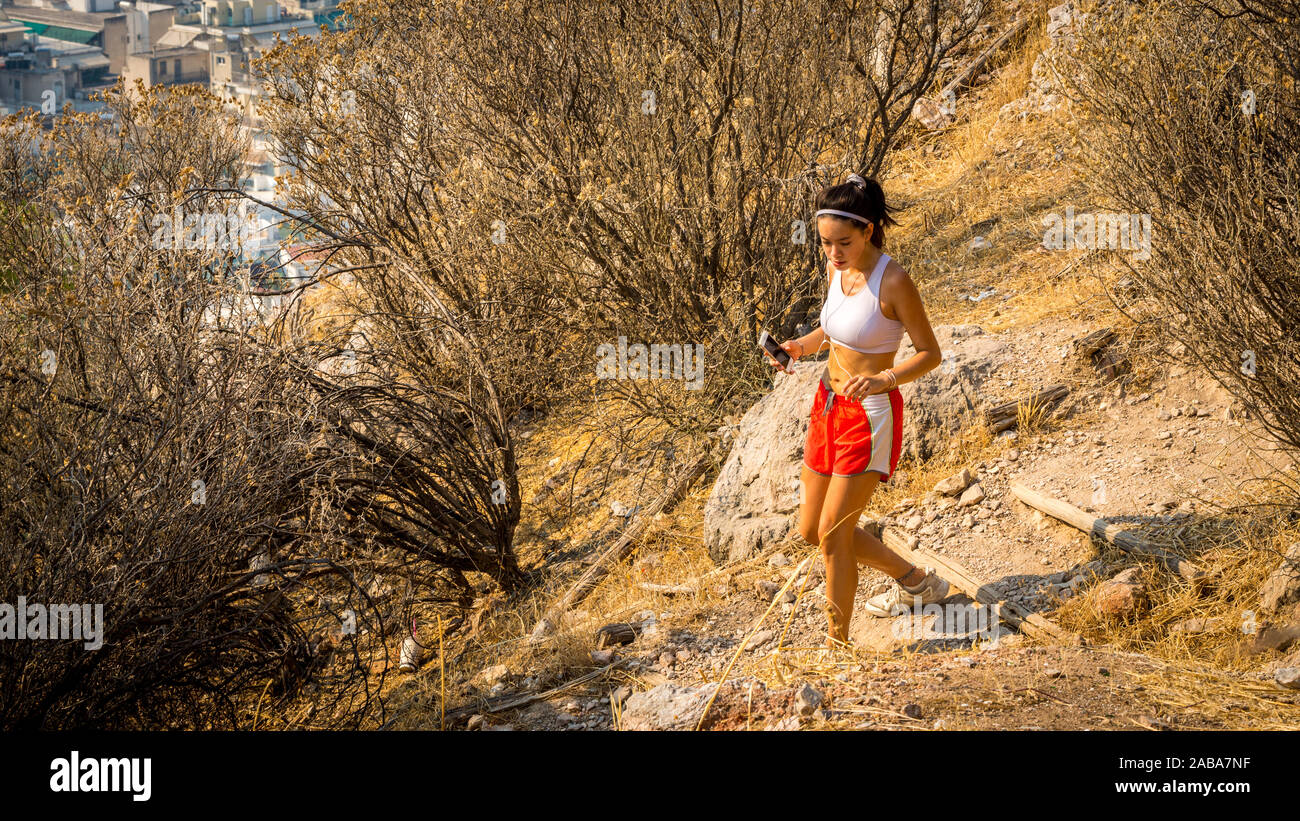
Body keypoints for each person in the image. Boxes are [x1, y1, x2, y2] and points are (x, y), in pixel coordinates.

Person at [761, 173, 951, 652]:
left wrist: (887, 378)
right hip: (827, 405)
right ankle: (915, 581)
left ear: (868, 231)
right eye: (825, 243)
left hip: (869, 414)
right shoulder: (835, 270)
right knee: (811, 530)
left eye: (842, 242)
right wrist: (798, 347)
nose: (832, 253)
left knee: (832, 536)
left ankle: (837, 648)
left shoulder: (895, 280)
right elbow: (834, 330)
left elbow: (930, 353)